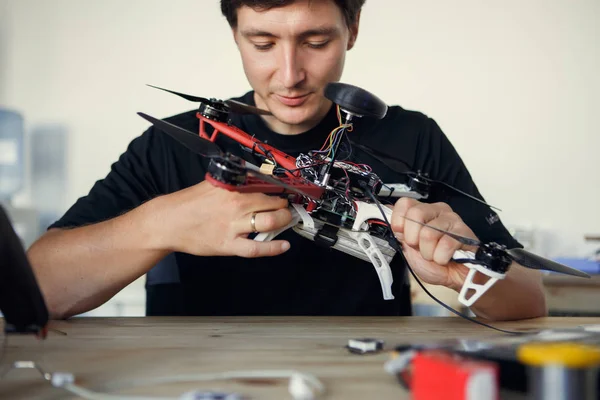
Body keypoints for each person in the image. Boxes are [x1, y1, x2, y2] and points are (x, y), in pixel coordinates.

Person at [26, 0, 546, 321]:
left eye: (316, 41)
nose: (289, 74)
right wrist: (159, 223)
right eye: (263, 42)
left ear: (354, 28)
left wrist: (463, 269)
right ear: (234, 33)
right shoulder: (177, 142)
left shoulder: (410, 138)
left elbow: (530, 299)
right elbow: (37, 289)